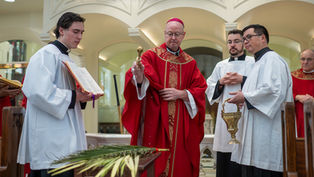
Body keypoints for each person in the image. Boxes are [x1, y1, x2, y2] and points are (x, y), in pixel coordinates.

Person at [17, 12, 102, 177]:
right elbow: (37, 92)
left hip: (63, 134)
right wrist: (75, 96)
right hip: (50, 136)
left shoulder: (66, 57)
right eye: (75, 31)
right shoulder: (45, 55)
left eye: (82, 32)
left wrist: (83, 95)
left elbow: (68, 94)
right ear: (61, 30)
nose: (80, 36)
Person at [122, 18, 207, 177]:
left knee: (179, 164)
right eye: (169, 34)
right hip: (156, 122)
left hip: (181, 126)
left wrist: (182, 94)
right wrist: (139, 76)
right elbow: (139, 81)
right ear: (164, 33)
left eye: (177, 34)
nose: (173, 37)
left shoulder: (190, 62)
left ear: (183, 35)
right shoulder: (150, 56)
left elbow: (200, 89)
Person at [228, 24, 293, 177]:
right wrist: (245, 95)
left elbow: (274, 91)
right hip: (257, 132)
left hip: (267, 134)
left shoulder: (272, 60)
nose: (245, 41)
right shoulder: (259, 62)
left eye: (248, 37)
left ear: (262, 37)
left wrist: (246, 97)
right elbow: (262, 90)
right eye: (244, 39)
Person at [205, 29, 254, 177]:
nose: (233, 45)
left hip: (246, 115)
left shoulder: (253, 63)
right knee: (225, 156)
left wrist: (243, 79)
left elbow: (261, 85)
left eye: (237, 41)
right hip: (224, 117)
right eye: (230, 42)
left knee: (246, 153)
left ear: (244, 43)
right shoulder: (221, 65)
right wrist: (220, 83)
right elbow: (209, 87)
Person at [291, 49, 314, 137]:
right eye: (303, 59)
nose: (305, 62)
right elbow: (283, 94)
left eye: (309, 59)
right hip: (296, 116)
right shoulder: (291, 76)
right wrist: (297, 97)